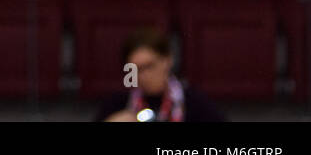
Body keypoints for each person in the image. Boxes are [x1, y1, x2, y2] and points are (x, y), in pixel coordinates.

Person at [94, 27, 225, 122]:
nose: (142, 76)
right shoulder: (116, 104)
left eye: (149, 66)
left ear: (168, 60)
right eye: (134, 69)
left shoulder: (196, 104)